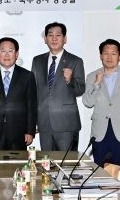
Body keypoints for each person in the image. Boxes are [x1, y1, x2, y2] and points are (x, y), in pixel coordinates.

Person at [82, 39, 120, 173]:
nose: (109, 57)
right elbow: (87, 102)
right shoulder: (92, 76)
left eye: (113, 53)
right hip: (100, 132)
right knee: (100, 172)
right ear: (100, 56)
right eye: (106, 53)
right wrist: (97, 84)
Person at [31, 22, 86, 151]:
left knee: (67, 161)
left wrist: (71, 80)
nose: (54, 38)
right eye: (50, 35)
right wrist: (33, 120)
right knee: (47, 161)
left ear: (65, 39)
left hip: (66, 123)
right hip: (44, 122)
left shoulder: (75, 61)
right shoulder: (37, 61)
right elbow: (33, 92)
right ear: (45, 39)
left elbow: (80, 90)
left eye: (58, 35)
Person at [0, 37, 37, 150]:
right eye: (3, 51)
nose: (6, 55)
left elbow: (32, 106)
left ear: (16, 54)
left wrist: (30, 131)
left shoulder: (27, 76)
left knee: (18, 161)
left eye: (10, 51)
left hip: (19, 131)